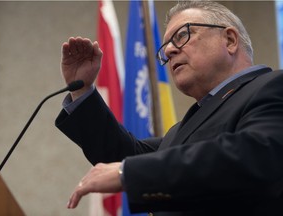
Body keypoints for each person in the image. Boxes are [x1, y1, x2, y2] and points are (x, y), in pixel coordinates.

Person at [55, 1, 283, 215]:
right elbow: (124, 155)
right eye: (165, 47)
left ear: (230, 40)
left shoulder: (274, 86)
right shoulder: (180, 131)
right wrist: (82, 91)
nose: (169, 51)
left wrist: (128, 173)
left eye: (182, 35)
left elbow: (255, 153)